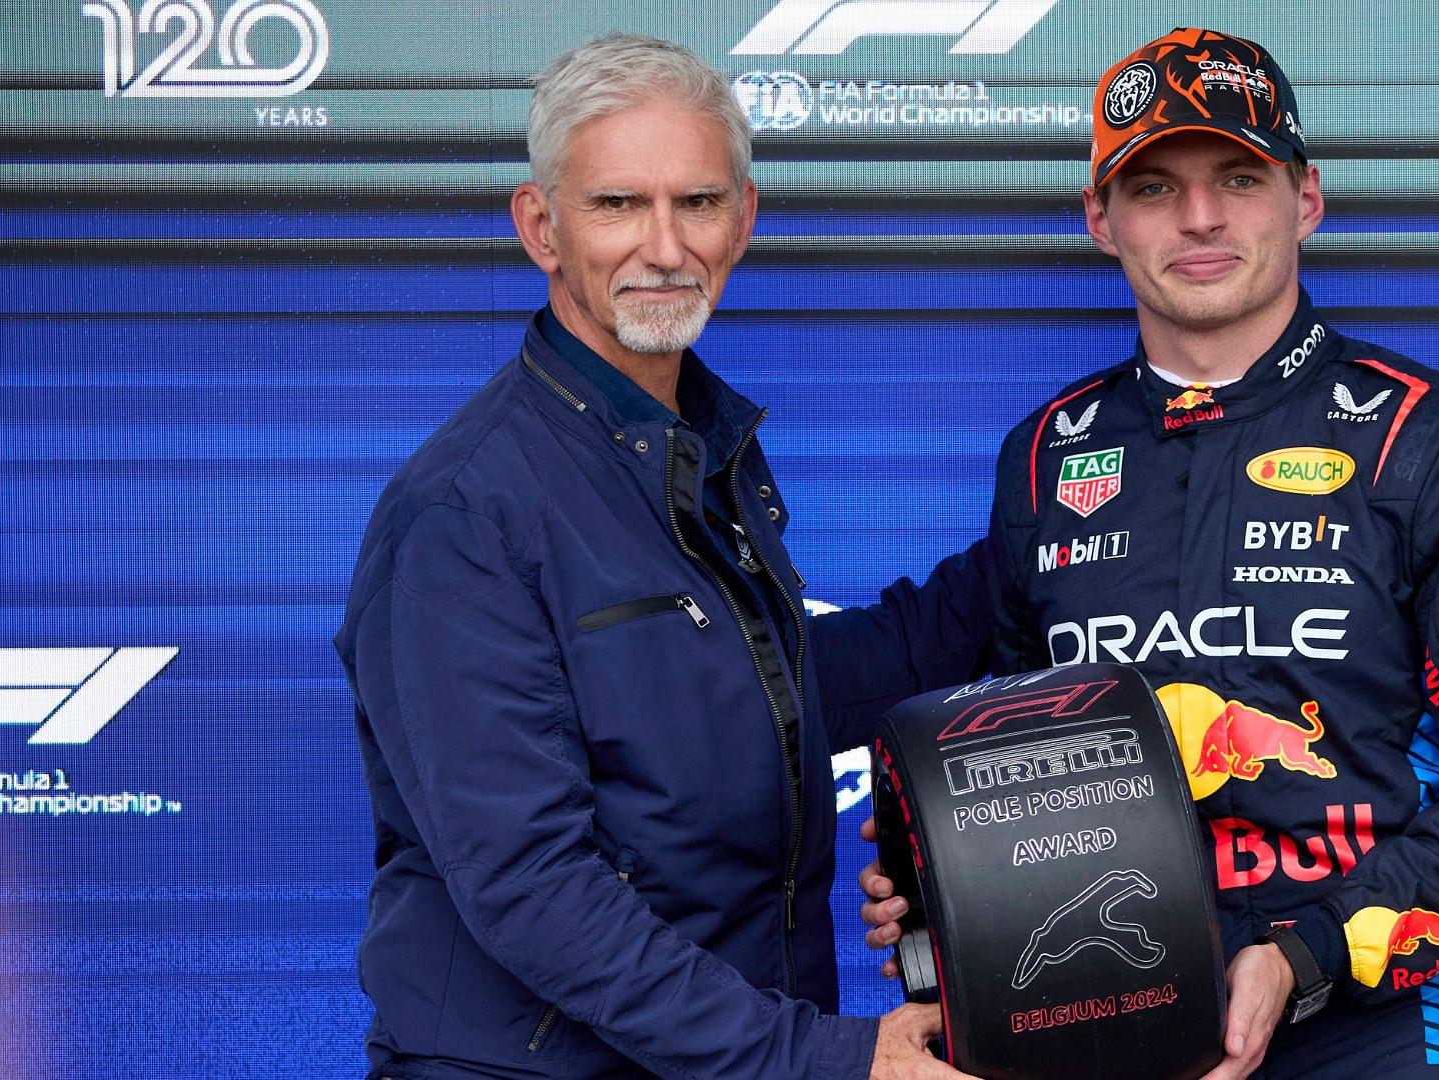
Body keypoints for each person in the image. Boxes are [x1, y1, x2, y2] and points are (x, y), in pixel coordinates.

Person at [859, 27, 1439, 1079]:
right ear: (1100, 218)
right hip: (1102, 1018)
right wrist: (939, 876)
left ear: (1305, 198)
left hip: (1369, 1019)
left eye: (1239, 177)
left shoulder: (1434, 439)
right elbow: (1004, 754)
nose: (1201, 217)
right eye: (1155, 186)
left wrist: (1308, 954)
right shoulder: (1044, 457)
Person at [335, 34, 982, 1079]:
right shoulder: (464, 514)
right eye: (617, 205)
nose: (666, 246)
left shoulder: (698, 449)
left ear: (745, 219)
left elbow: (762, 695)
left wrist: (1037, 560)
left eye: (697, 203)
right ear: (540, 226)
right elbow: (535, 886)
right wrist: (818, 1058)